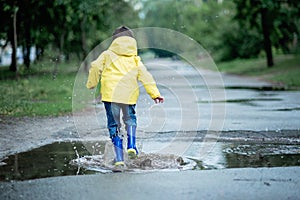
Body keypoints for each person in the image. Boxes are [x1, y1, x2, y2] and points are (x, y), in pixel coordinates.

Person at [86, 26, 164, 166]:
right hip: (129, 95)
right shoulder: (134, 59)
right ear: (131, 41)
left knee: (114, 125)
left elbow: (96, 67)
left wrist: (92, 83)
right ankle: (132, 146)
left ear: (114, 40)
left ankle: (119, 159)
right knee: (130, 119)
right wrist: (155, 94)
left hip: (110, 96)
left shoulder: (107, 54)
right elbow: (145, 76)